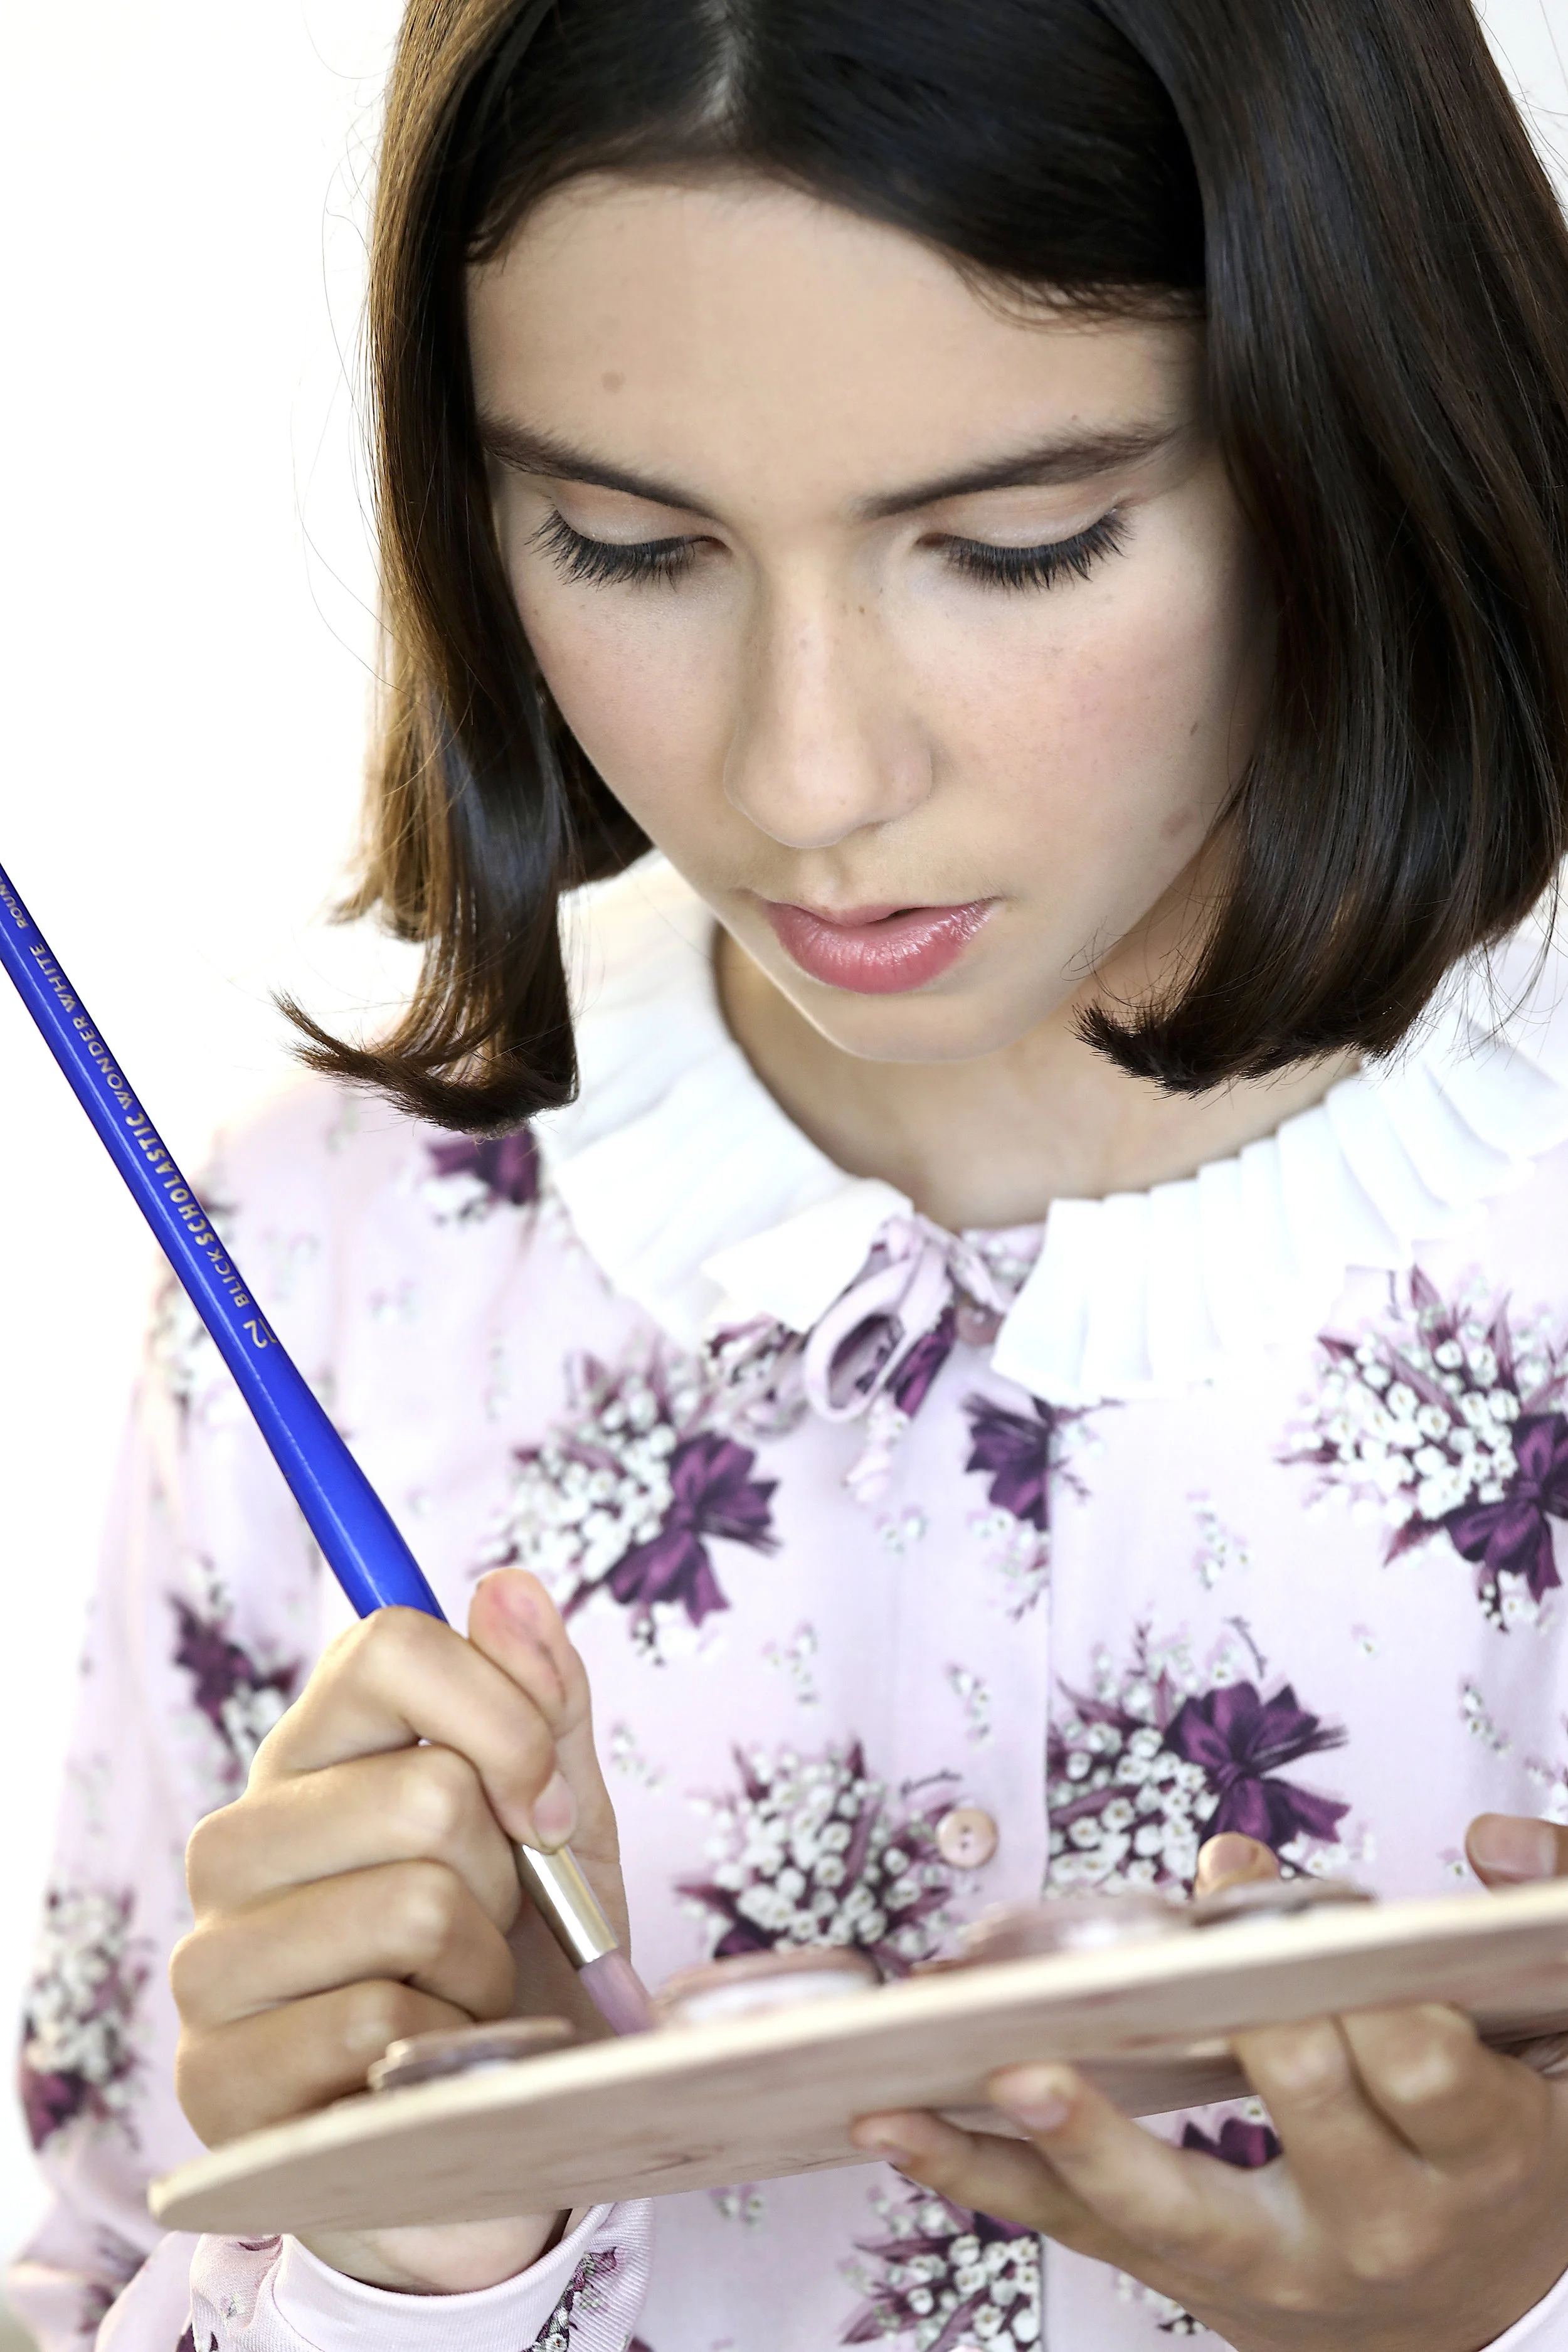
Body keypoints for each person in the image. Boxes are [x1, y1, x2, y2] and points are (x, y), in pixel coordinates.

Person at [13, 0, 1568, 2343]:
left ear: (1350, 428)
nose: (809, 771)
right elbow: (97, 2263)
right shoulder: (321, 1258)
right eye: (623, 544)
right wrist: (398, 2245)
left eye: (1020, 544)